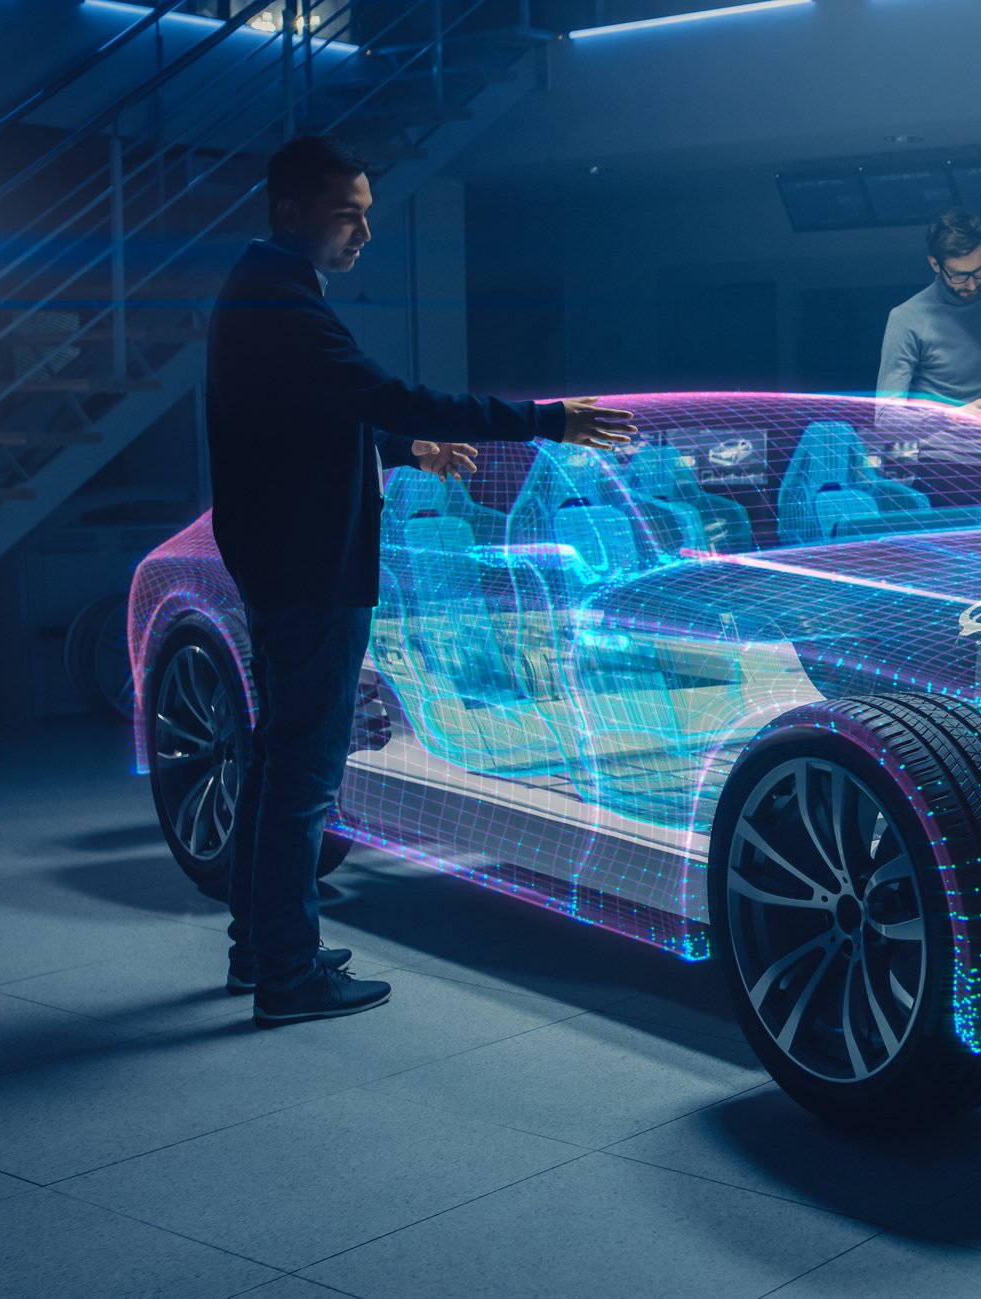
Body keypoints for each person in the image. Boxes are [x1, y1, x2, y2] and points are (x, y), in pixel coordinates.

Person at [207, 134, 633, 1027]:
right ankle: (287, 975)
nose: (363, 231)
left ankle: (265, 947)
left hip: (291, 562)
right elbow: (388, 393)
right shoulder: (281, 306)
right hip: (308, 569)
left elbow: (326, 414)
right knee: (303, 777)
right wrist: (547, 420)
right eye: (345, 214)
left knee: (281, 763)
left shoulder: (268, 296)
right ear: (290, 214)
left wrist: (406, 450)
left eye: (367, 213)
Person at [876, 207, 981, 419]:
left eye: (980, 271)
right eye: (959, 275)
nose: (973, 284)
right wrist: (953, 415)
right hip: (938, 449)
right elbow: (885, 418)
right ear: (934, 264)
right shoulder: (906, 318)